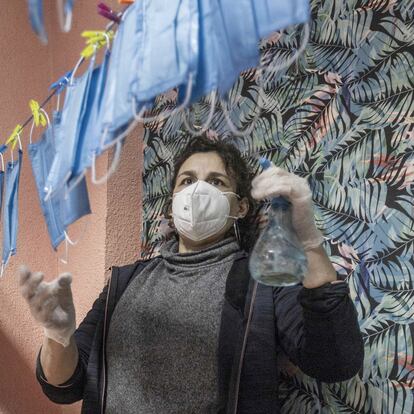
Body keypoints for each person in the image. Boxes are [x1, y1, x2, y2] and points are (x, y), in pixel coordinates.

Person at [20, 135, 364, 414]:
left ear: (240, 205)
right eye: (187, 181)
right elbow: (64, 388)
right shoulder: (123, 283)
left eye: (216, 181)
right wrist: (57, 335)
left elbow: (335, 361)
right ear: (172, 203)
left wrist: (308, 240)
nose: (198, 192)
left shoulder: (262, 283)